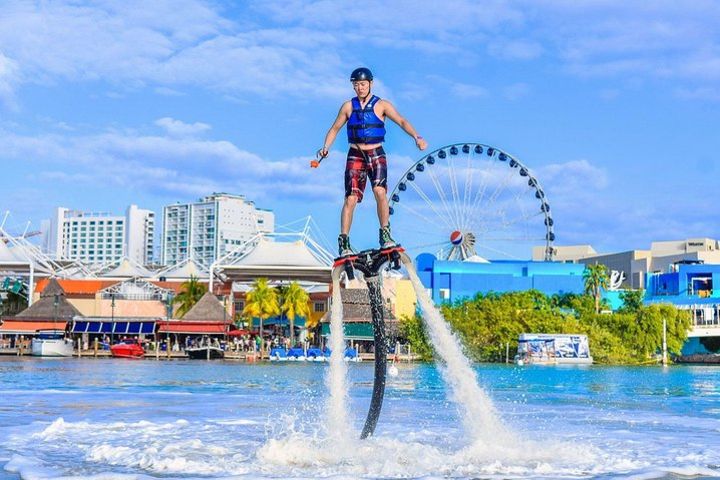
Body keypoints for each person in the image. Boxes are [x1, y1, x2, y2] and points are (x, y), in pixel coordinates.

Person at [317, 67, 428, 256]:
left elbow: (401, 121)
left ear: (370, 84)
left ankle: (385, 235)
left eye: (362, 84)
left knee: (379, 191)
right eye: (356, 85)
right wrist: (325, 147)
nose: (359, 88)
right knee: (350, 198)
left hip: (376, 152)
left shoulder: (382, 105)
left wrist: (417, 137)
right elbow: (335, 128)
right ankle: (344, 241)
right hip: (355, 153)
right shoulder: (348, 107)